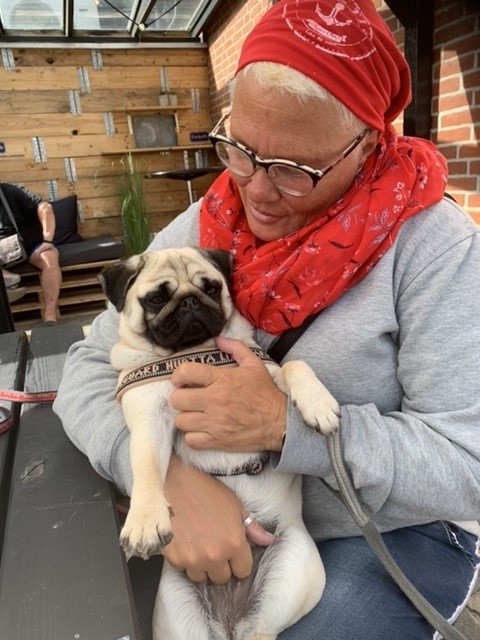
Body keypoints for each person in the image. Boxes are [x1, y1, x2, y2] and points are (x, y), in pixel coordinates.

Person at [54, 1, 480, 638]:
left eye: (293, 170)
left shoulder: (434, 248)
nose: (254, 189)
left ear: (366, 145)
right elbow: (87, 367)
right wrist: (165, 481)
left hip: (387, 529)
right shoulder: (208, 222)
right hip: (214, 514)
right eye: (239, 148)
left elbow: (468, 463)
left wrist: (284, 425)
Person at [0, 182, 61, 324]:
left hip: (28, 245)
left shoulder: (10, 191)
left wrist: (48, 240)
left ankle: (50, 314)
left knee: (50, 257)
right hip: (2, 252)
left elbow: (45, 208)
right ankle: (8, 279)